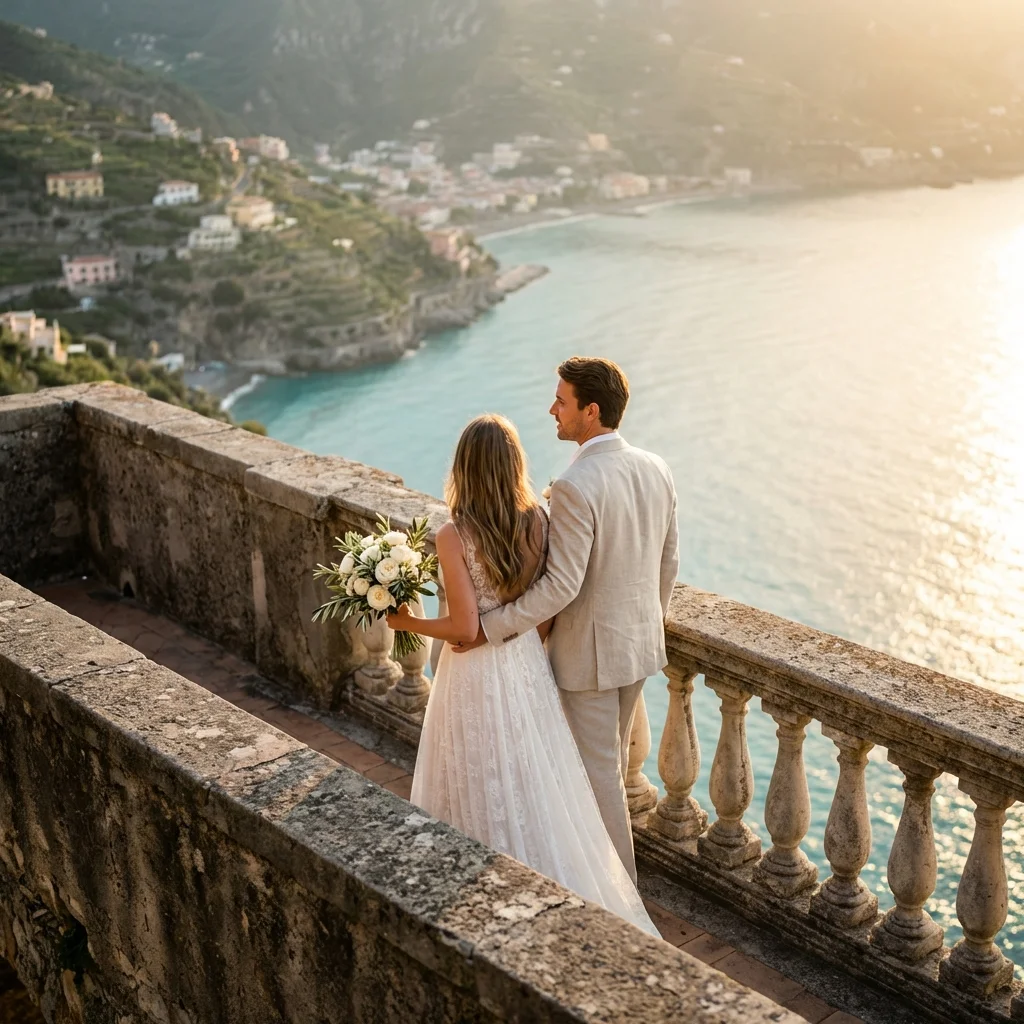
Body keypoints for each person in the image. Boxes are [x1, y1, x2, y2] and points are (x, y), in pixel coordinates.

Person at [387, 413, 658, 937]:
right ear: (515, 464)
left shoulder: (453, 534)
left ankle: (478, 890)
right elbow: (549, 603)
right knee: (533, 774)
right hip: (527, 660)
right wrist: (524, 648)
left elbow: (464, 628)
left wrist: (406, 621)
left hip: (475, 671)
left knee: (474, 772)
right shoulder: (538, 519)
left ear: (463, 466)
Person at [453, 356, 679, 882]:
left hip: (590, 658)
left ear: (591, 410)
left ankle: (620, 901)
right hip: (640, 647)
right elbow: (668, 563)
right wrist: (649, 622)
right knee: (611, 772)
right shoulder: (655, 467)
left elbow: (562, 585)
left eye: (562, 401)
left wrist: (490, 628)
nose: (551, 409)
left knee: (596, 779)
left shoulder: (577, 483)